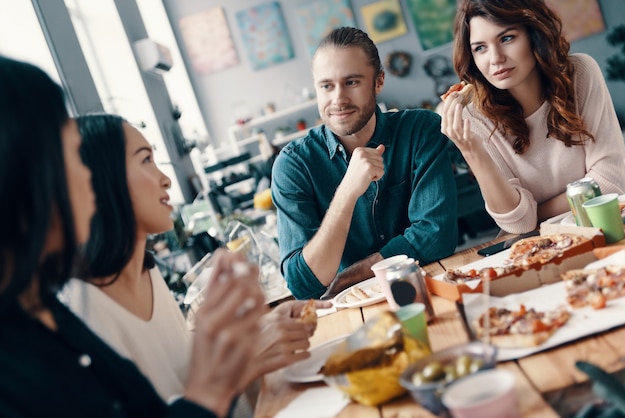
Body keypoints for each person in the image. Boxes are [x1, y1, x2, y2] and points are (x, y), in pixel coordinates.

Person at [0, 55, 265, 418]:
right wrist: (214, 386)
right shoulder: (55, 325)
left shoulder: (49, 314)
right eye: (73, 155)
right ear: (24, 172)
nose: (85, 175)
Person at [60, 113, 329, 405]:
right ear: (101, 179)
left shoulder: (146, 274)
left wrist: (257, 336)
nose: (165, 180)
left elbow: (191, 384)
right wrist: (246, 360)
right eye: (145, 160)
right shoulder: (81, 311)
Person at [271, 27, 458, 300]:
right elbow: (302, 284)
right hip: (351, 310)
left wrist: (351, 275)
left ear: (378, 81)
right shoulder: (293, 165)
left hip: (429, 290)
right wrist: (347, 192)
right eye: (326, 86)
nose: (338, 99)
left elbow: (437, 235)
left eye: (351, 82)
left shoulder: (421, 130)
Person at [441, 0, 625, 234]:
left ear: (534, 34)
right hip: (541, 243)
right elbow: (516, 223)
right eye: (480, 48)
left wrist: (534, 212)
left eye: (506, 38)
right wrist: (470, 150)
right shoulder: (474, 116)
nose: (495, 58)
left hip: (606, 223)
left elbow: (611, 182)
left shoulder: (580, 73)